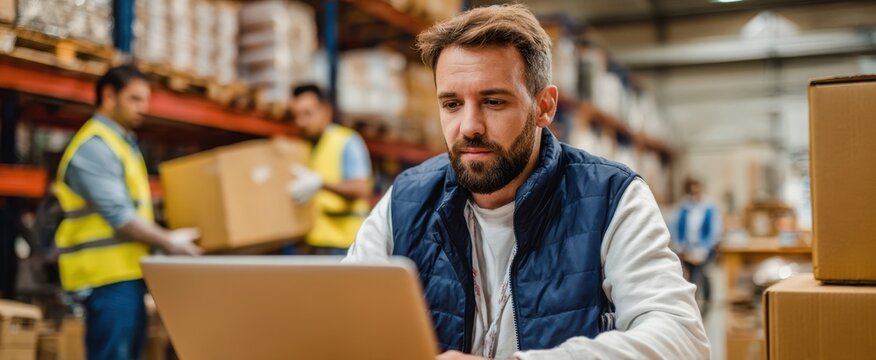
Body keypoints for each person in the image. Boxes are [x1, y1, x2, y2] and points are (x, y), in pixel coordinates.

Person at [343, 5, 710, 359]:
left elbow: (680, 339)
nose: (469, 126)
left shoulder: (612, 198)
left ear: (544, 107)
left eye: (493, 102)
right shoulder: (406, 200)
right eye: (452, 104)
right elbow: (341, 320)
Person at [55, 65, 202, 360]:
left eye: (145, 100)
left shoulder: (122, 144)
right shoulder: (95, 147)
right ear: (109, 96)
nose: (143, 108)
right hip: (106, 280)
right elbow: (119, 216)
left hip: (127, 275)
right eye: (135, 99)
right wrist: (169, 241)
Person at [288, 84, 373, 255]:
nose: (301, 122)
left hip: (344, 244)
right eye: (296, 116)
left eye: (307, 114)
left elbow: (361, 188)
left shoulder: (347, 141)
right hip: (315, 242)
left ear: (326, 111)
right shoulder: (307, 146)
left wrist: (321, 184)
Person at [673, 178, 722, 314]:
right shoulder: (684, 207)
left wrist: (704, 249)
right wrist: (681, 247)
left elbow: (714, 231)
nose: (695, 192)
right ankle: (692, 304)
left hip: (704, 249)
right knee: (690, 277)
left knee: (704, 274)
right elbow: (677, 228)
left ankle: (706, 303)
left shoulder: (709, 207)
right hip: (688, 249)